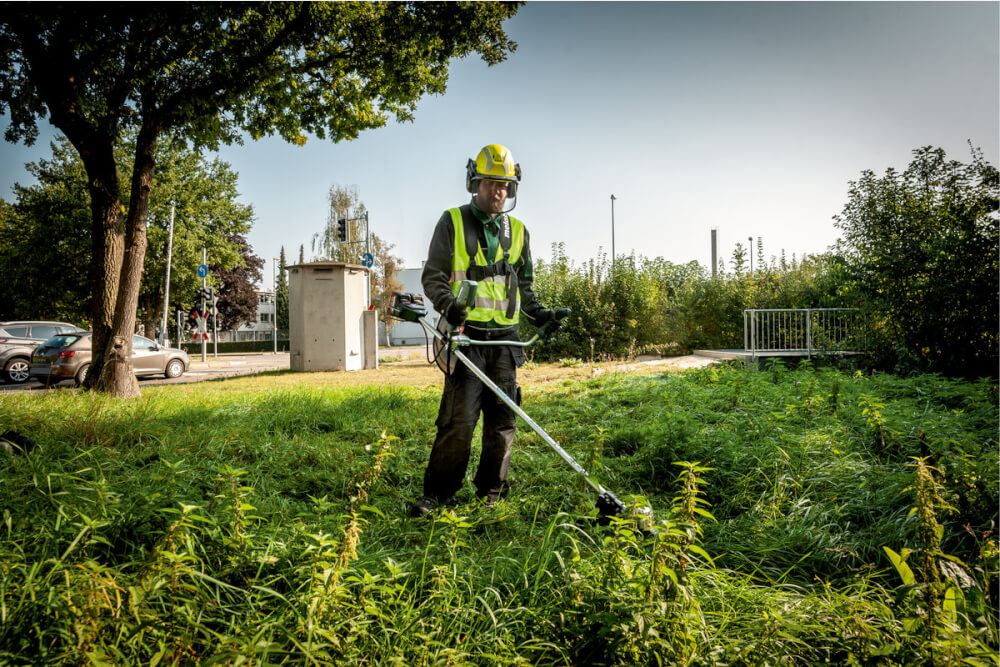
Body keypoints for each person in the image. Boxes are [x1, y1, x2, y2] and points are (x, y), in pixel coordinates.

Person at [413, 144, 565, 517]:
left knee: (503, 420)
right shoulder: (451, 221)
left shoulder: (518, 231)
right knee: (459, 420)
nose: (499, 191)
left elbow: (524, 287)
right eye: (491, 184)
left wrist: (540, 314)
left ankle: (491, 493)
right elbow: (433, 277)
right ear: (474, 183)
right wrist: (450, 306)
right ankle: (437, 494)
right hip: (466, 337)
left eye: (505, 185)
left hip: (506, 341)